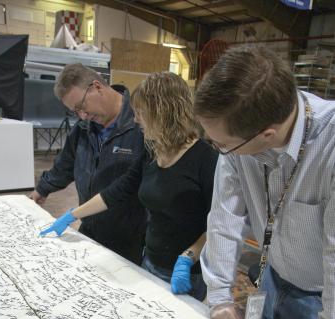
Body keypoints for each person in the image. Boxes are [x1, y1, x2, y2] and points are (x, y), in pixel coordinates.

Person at [194, 45, 335, 319]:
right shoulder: (240, 135)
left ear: (267, 135)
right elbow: (225, 215)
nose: (216, 149)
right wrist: (220, 295)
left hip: (321, 302)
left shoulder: (329, 147)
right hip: (272, 280)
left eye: (221, 145)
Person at [40, 72, 218, 301]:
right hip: (150, 262)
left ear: (163, 112)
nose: (135, 120)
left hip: (185, 273)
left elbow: (218, 223)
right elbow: (118, 190)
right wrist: (72, 215)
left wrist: (189, 257)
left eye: (141, 113)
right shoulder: (152, 151)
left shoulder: (206, 159)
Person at [30, 63, 146, 265]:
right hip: (90, 229)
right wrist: (41, 190)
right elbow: (65, 166)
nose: (82, 115)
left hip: (130, 240)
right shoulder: (83, 128)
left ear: (97, 87)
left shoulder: (140, 125)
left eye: (82, 106)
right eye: (75, 111)